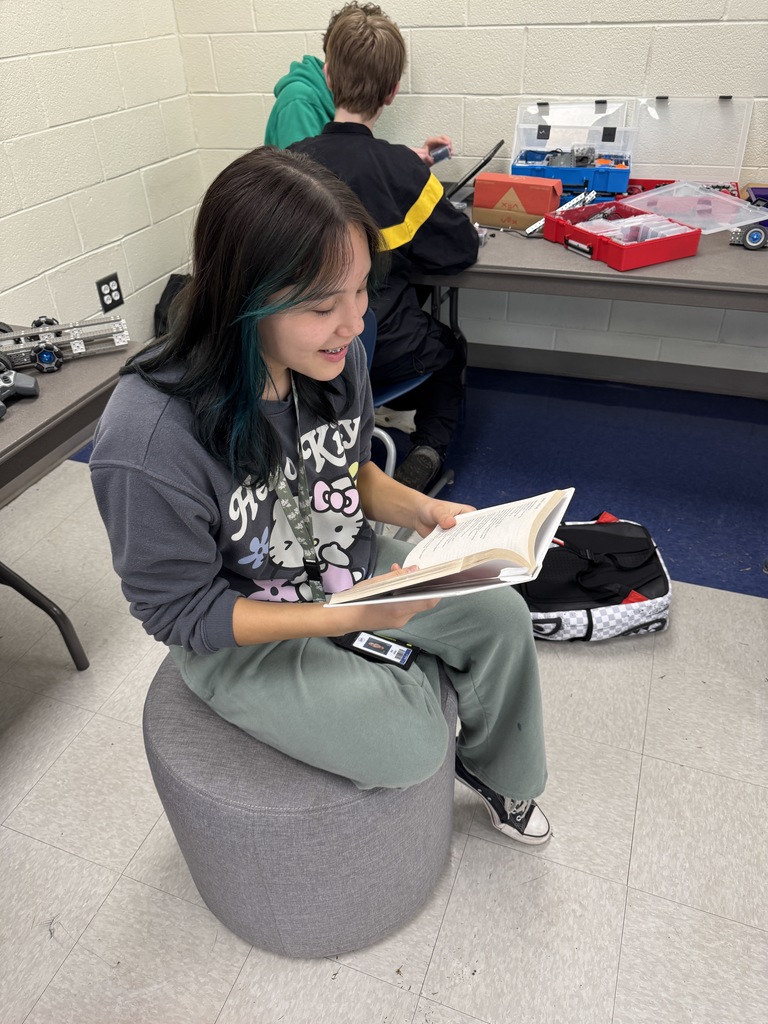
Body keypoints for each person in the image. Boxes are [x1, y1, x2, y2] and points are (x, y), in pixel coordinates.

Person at [90, 147, 549, 845]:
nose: (355, 323)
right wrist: (342, 617)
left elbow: (346, 472)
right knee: (411, 747)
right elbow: (177, 611)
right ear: (244, 298)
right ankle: (383, 665)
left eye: (363, 289)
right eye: (322, 305)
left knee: (502, 617)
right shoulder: (149, 439)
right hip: (243, 624)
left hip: (336, 557)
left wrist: (423, 511)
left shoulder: (334, 356)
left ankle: (497, 771)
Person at [291, 3, 479, 492]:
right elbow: (458, 250)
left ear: (328, 75)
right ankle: (428, 450)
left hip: (303, 351)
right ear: (393, 91)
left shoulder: (287, 166)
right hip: (385, 350)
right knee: (451, 348)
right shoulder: (403, 171)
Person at [264, 1, 451, 167]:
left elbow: (349, 157)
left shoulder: (341, 105)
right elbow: (312, 190)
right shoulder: (299, 102)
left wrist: (407, 158)